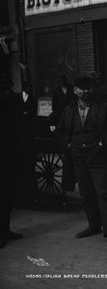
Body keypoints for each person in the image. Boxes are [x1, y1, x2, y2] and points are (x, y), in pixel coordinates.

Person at [57, 75, 107, 247]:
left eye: (89, 88)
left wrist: (103, 144)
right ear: (75, 90)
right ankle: (94, 225)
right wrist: (67, 145)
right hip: (78, 158)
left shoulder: (102, 108)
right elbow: (60, 131)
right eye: (82, 88)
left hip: (98, 157)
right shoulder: (69, 110)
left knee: (103, 193)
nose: (86, 91)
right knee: (86, 193)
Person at [0, 73, 24, 248]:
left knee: (7, 195)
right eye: (2, 90)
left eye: (7, 89)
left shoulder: (12, 102)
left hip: (10, 154)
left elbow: (18, 124)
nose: (5, 92)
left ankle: (6, 230)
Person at [19, 81, 39, 203]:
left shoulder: (32, 98)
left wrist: (28, 113)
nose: (29, 89)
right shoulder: (18, 98)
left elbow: (34, 109)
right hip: (21, 126)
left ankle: (30, 191)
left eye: (30, 87)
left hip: (29, 126)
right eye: (27, 87)